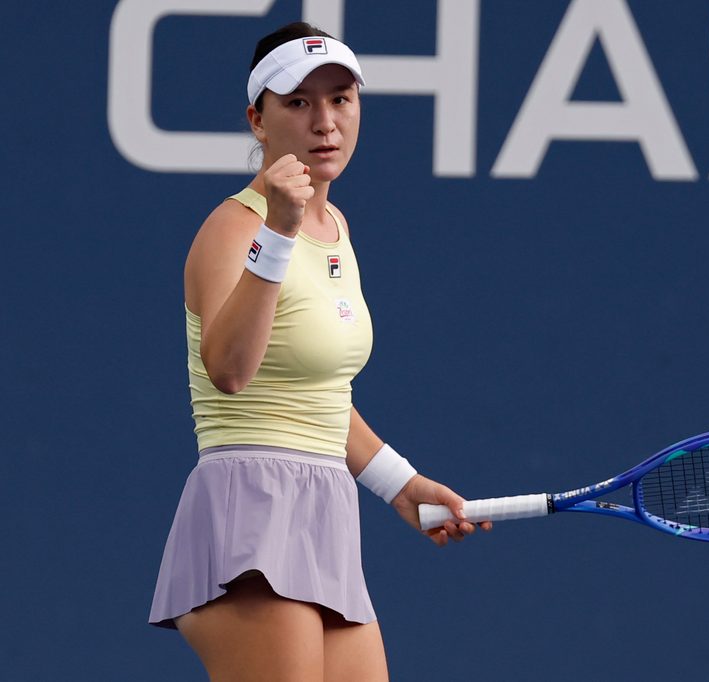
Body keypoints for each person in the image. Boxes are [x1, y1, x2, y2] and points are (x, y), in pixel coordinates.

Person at [148, 22, 490, 681]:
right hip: (248, 515)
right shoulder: (233, 228)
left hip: (325, 514)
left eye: (340, 99)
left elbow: (323, 396)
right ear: (259, 120)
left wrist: (400, 486)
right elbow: (230, 372)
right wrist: (276, 231)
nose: (325, 121)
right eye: (299, 103)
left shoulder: (336, 229)